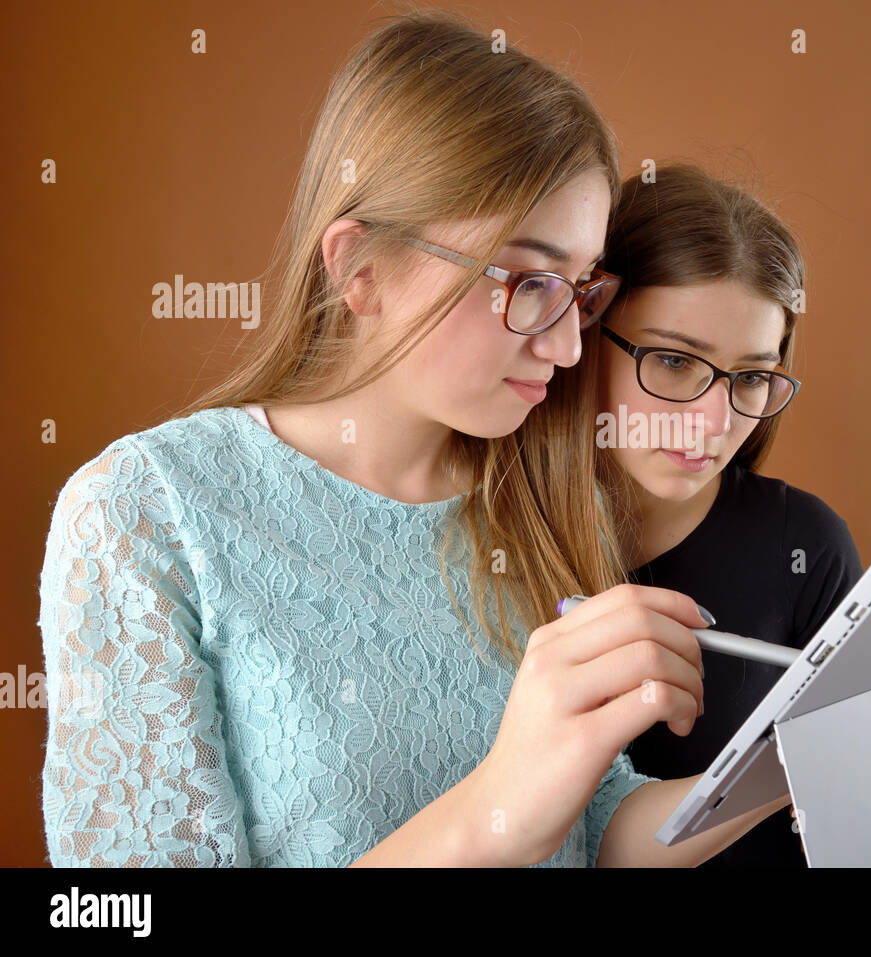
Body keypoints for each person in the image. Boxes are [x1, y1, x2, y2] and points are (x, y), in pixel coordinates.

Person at [37, 12, 790, 868]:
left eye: (580, 288)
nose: (569, 345)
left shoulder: (532, 498)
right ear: (361, 269)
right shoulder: (147, 513)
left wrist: (801, 748)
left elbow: (595, 829)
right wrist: (496, 810)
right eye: (530, 280)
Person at [594, 165, 863, 866]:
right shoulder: (485, 535)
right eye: (676, 362)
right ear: (585, 330)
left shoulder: (807, 546)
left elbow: (849, 828)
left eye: (750, 377)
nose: (713, 422)